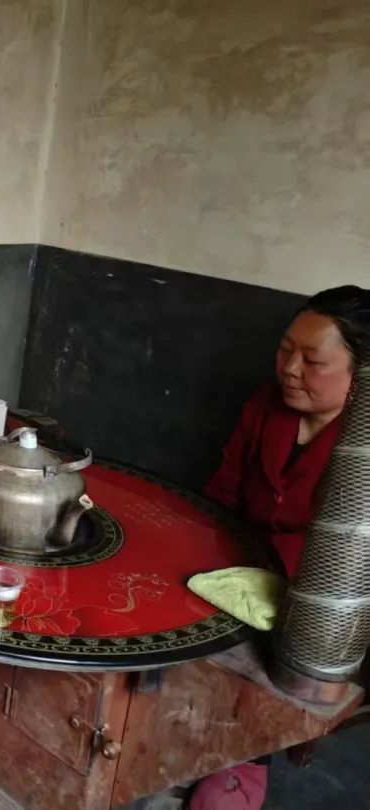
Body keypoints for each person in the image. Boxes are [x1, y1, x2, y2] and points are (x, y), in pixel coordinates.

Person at [192, 284, 370, 810]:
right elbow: (222, 490)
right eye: (285, 350)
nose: (290, 369)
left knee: (270, 663)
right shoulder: (265, 407)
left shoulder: (361, 452)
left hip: (319, 607)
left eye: (312, 361)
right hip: (235, 562)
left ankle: (246, 760)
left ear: (362, 375)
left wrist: (267, 575)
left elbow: (351, 562)